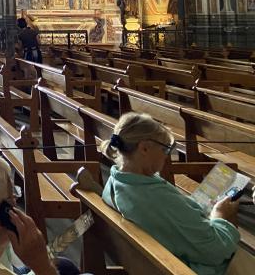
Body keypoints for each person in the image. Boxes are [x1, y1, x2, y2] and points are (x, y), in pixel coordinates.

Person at [100, 112, 240, 275]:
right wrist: (220, 215)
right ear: (144, 148)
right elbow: (216, 250)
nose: (167, 156)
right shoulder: (153, 197)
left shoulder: (117, 181)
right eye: (165, 149)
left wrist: (188, 208)